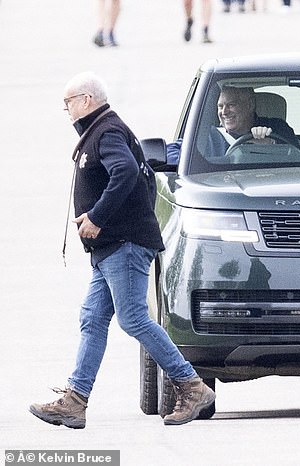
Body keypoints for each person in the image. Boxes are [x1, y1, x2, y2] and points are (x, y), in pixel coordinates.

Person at [29, 72, 215, 429]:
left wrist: (97, 217)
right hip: (109, 249)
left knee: (132, 318)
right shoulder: (100, 131)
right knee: (92, 319)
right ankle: (75, 400)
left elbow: (126, 172)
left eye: (68, 102)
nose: (66, 109)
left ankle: (191, 386)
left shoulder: (107, 131)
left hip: (124, 244)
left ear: (86, 99)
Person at [167, 85, 300, 164]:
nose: (224, 112)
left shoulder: (277, 128)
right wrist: (199, 163)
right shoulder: (207, 136)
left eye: (231, 105)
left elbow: (298, 160)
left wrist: (271, 145)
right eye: (220, 106)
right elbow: (169, 153)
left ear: (249, 105)